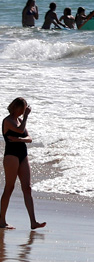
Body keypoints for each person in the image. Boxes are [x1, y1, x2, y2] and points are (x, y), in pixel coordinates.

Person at [2, 98, 44, 230]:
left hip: (23, 155)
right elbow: (20, 130)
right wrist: (26, 118)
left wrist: (19, 139)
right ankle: (1, 220)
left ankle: (33, 222)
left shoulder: (20, 121)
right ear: (16, 107)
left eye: (25, 109)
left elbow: (29, 139)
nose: (23, 112)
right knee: (9, 187)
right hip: (11, 156)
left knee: (27, 188)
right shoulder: (7, 121)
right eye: (22, 109)